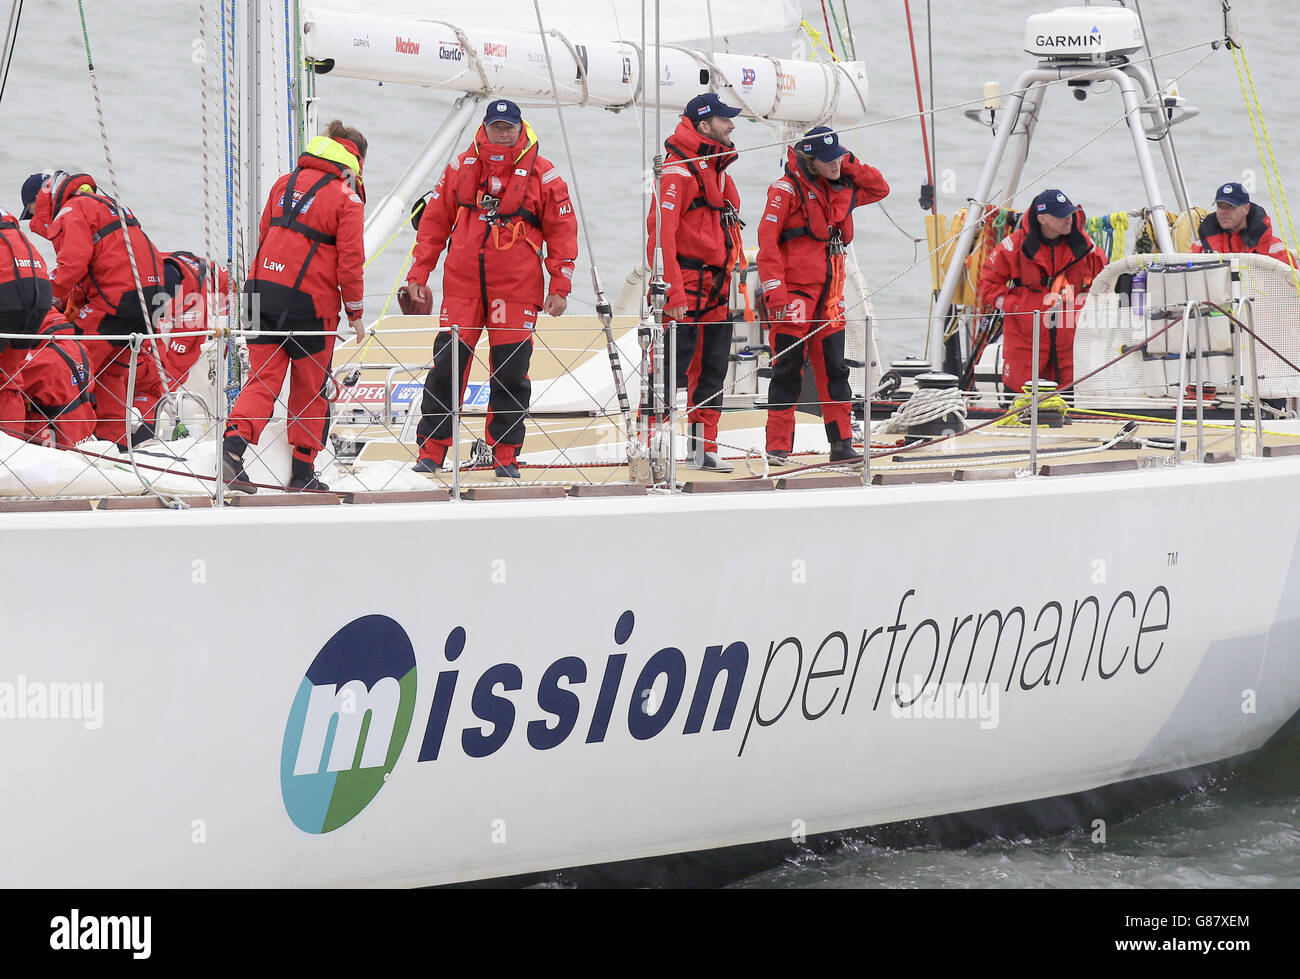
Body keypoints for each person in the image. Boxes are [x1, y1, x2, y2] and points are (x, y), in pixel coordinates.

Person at [400, 99, 577, 479]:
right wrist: (418, 274)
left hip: (516, 289)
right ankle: (432, 450)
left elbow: (563, 234)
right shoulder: (461, 167)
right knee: (447, 368)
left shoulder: (544, 176)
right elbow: (432, 224)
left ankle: (505, 455)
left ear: (519, 128)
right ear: (485, 127)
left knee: (512, 374)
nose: (502, 133)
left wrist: (560, 285)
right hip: (462, 286)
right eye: (496, 126)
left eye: (508, 127)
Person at [222, 119, 368, 493]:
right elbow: (350, 262)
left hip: (258, 291)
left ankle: (233, 451)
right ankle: (303, 474)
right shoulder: (347, 196)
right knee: (311, 388)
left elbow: (266, 233)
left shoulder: (283, 182)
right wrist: (355, 313)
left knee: (261, 380)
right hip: (308, 304)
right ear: (356, 160)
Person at [757, 126, 889, 464]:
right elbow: (767, 244)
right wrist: (777, 295)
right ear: (809, 160)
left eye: (838, 157)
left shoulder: (844, 183)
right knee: (787, 371)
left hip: (830, 298)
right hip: (794, 297)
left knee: (835, 371)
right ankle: (778, 447)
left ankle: (842, 445)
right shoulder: (784, 190)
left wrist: (847, 164)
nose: (835, 164)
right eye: (827, 160)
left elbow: (880, 186)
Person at [21, 170, 166, 447]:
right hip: (149, 299)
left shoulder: (71, 210)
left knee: (70, 358)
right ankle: (116, 444)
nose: (33, 221)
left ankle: (75, 443)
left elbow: (73, 263)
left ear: (39, 200)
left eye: (30, 211)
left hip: (116, 301)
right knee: (110, 372)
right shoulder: (103, 204)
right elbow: (105, 259)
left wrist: (44, 298)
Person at [646, 92, 744, 471]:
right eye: (725, 120)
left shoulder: (718, 170)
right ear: (704, 125)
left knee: (712, 372)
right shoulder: (678, 172)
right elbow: (660, 234)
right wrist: (671, 289)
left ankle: (703, 448)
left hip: (715, 290)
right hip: (683, 287)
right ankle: (651, 446)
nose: (732, 125)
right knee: (667, 372)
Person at [978, 189, 1107, 393]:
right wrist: (1019, 307)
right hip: (1026, 337)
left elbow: (1105, 281)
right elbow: (988, 284)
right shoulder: (1014, 246)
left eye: (1070, 214)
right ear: (1042, 218)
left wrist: (1080, 306)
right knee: (1020, 402)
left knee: (1070, 401)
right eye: (1061, 215)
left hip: (1070, 339)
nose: (1069, 219)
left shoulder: (1085, 246)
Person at [0, 307, 96, 448]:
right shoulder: (80, 348)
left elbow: (8, 380)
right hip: (81, 429)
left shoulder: (40, 359)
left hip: (48, 436)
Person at [157, 250, 231, 386]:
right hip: (202, 275)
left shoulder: (192, 301)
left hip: (230, 294)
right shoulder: (152, 262)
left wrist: (156, 393)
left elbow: (178, 363)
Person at [1192, 181, 1298, 267]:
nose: (1223, 212)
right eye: (1220, 206)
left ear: (1246, 208)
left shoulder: (1274, 248)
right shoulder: (1202, 245)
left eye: (1229, 206)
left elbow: (1294, 285)